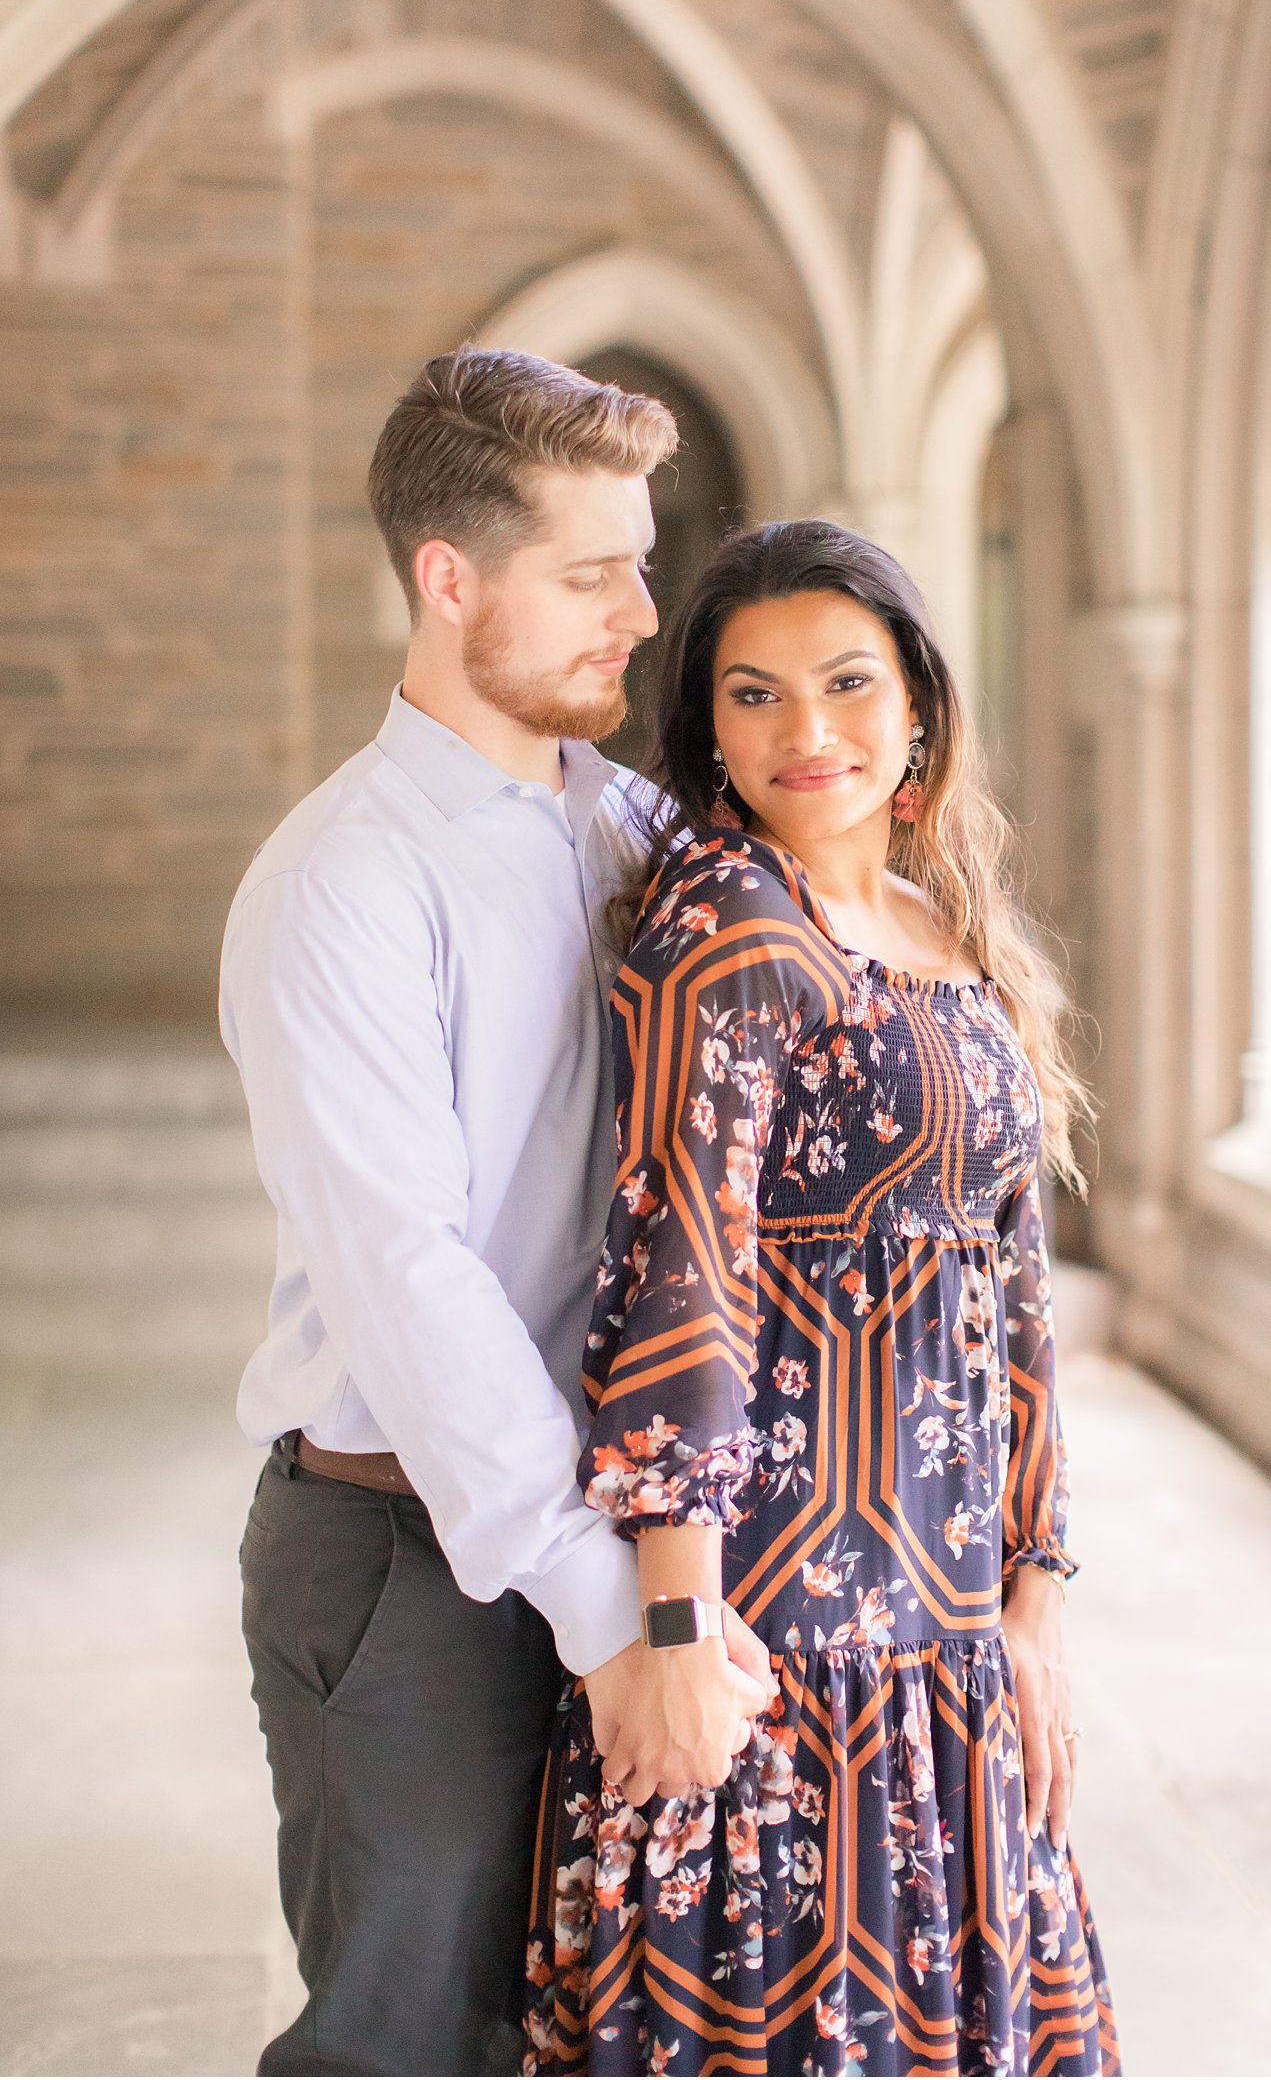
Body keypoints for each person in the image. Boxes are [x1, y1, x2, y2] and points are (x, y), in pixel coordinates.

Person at [220, 349, 773, 2079]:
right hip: (404, 1566)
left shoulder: (638, 830)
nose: (643, 608)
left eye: (643, 559)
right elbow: (413, 1282)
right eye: (590, 571)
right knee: (412, 2044)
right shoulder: (343, 883)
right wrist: (619, 1619)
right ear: (446, 580)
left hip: (622, 1538)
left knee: (602, 2034)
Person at [524, 520, 1121, 2077]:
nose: (809, 733)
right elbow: (682, 1279)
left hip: (947, 1624)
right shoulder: (726, 924)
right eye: (756, 695)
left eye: (848, 684)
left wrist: (1034, 1599)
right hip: (783, 1626)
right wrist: (671, 1622)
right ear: (707, 728)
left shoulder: (941, 925)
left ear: (918, 703)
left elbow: (1014, 1291)